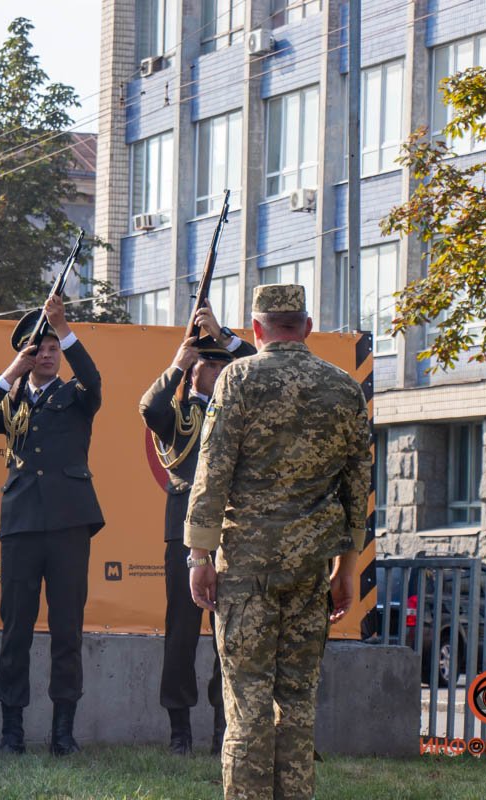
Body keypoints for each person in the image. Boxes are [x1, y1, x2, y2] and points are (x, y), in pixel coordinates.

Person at [185, 284, 370, 800]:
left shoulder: (238, 379)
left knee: (246, 707)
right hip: (311, 569)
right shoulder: (345, 388)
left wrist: (199, 555)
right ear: (306, 327)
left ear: (257, 329)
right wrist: (347, 568)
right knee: (297, 708)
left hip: (247, 569)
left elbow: (212, 473)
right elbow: (358, 488)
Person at [0, 295, 103, 756]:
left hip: (68, 524)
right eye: (37, 348)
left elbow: (93, 379)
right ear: (25, 354)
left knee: (68, 629)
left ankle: (63, 731)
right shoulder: (12, 398)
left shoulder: (76, 395)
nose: (46, 354)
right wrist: (11, 373)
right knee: (16, 627)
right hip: (22, 523)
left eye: (52, 347)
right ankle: (12, 732)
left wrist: (65, 329)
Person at [138, 307, 256, 755]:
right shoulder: (177, 413)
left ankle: (223, 728)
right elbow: (148, 407)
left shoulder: (240, 409)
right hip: (185, 534)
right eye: (211, 364)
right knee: (182, 632)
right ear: (194, 371)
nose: (221, 370)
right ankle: (179, 728)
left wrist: (224, 338)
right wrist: (177, 363)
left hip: (233, 530)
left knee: (230, 633)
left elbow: (255, 367)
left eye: (223, 364)